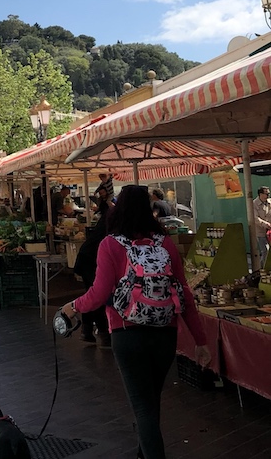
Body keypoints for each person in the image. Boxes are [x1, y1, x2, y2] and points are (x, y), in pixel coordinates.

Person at [61, 185, 210, 459]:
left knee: (143, 407)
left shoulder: (110, 244)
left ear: (119, 209)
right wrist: (200, 340)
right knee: (151, 403)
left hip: (127, 334)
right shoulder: (164, 243)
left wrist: (73, 307)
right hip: (165, 335)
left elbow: (99, 293)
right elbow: (184, 293)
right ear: (149, 210)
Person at [72, 197, 113, 348]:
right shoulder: (116, 218)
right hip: (91, 259)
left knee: (91, 293)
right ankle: (104, 334)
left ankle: (87, 331)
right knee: (98, 296)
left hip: (87, 257)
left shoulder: (111, 216)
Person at [253, 186, 271, 267]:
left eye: (268, 193)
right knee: (265, 251)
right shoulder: (254, 204)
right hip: (260, 232)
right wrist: (265, 224)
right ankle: (263, 269)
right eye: (266, 193)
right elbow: (255, 218)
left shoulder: (269, 202)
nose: (268, 195)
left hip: (270, 231)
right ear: (260, 194)